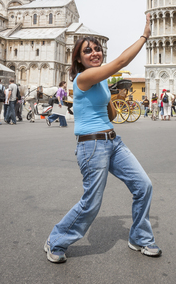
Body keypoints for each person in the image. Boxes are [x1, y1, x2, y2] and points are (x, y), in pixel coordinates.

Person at [44, 14, 161, 263]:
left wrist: (111, 104)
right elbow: (120, 61)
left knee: (143, 185)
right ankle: (56, 240)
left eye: (97, 49)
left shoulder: (101, 80)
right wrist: (145, 37)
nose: (94, 53)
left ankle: (139, 237)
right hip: (91, 145)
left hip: (113, 141)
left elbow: (109, 112)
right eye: (88, 51)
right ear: (78, 58)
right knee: (91, 202)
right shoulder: (82, 78)